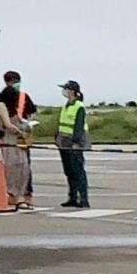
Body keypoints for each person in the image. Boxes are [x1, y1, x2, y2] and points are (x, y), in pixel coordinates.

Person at [0, 70, 36, 206]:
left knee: (24, 165)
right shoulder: (2, 100)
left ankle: (25, 193)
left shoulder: (23, 97)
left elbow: (32, 113)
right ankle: (13, 193)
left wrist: (27, 125)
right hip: (11, 135)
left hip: (21, 133)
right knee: (15, 165)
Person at [54, 80, 93, 209]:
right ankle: (72, 197)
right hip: (64, 141)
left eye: (66, 89)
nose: (64, 91)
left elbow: (78, 126)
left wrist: (76, 142)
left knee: (78, 171)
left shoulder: (79, 106)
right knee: (69, 170)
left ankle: (83, 198)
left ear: (71, 91)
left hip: (74, 142)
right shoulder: (66, 105)